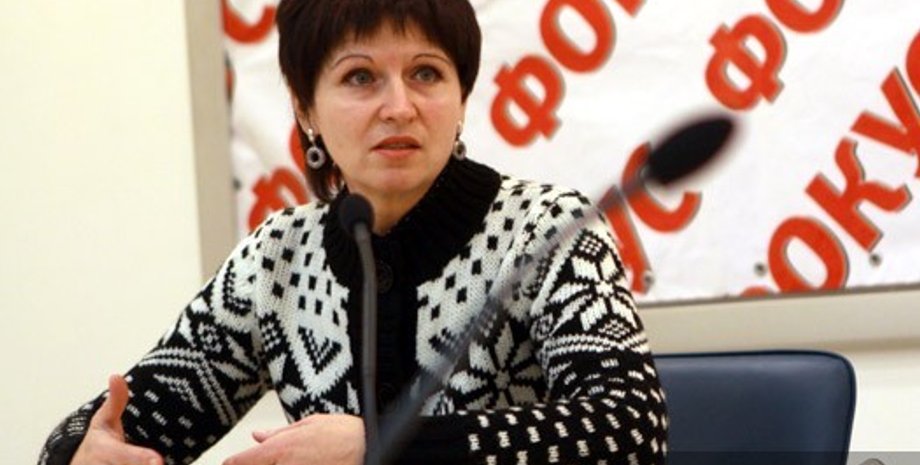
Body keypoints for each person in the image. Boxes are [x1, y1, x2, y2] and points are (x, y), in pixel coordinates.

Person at [39, 0, 668, 464]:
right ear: (305, 108)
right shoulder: (276, 258)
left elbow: (630, 428)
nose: (399, 106)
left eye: (426, 73)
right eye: (360, 77)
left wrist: (380, 448)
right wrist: (79, 452)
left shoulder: (547, 231)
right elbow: (104, 429)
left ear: (462, 96)